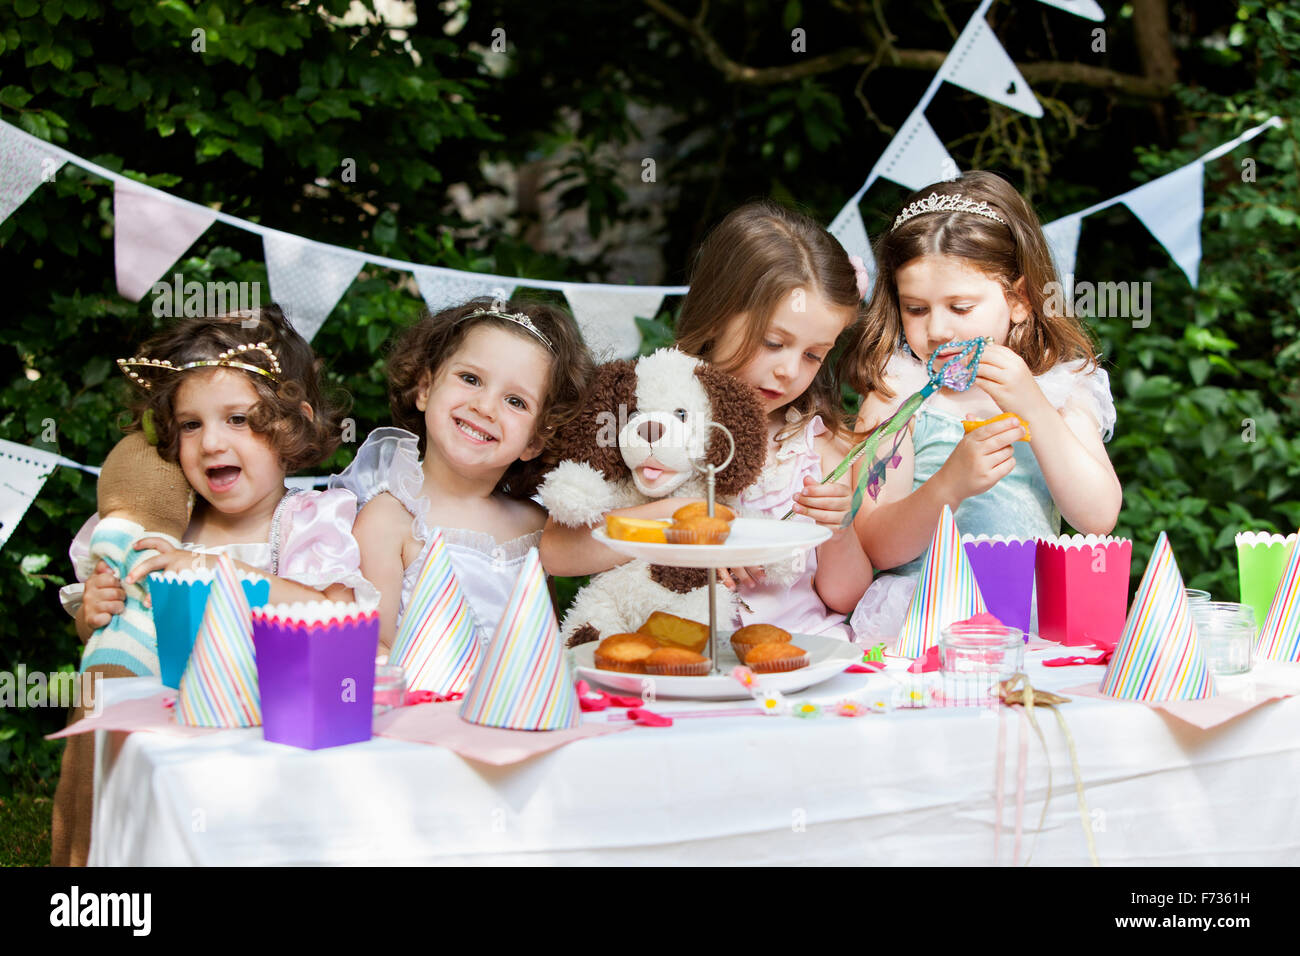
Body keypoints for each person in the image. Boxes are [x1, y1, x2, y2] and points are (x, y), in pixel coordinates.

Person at [54, 304, 374, 865]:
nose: (211, 444)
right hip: (163, 738)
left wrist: (216, 573)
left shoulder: (307, 521)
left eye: (239, 420)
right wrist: (95, 610)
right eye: (191, 425)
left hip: (265, 732)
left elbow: (332, 611)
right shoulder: (166, 528)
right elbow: (111, 639)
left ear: (292, 423)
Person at [541, 201, 872, 639]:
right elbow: (558, 554)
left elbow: (845, 599)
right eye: (773, 342)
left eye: (813, 354)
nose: (790, 370)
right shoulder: (644, 419)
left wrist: (840, 532)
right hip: (672, 660)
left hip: (795, 662)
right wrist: (682, 516)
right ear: (717, 315)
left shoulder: (818, 448)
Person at [843, 171, 1121, 643]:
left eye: (961, 307)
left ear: (1020, 301)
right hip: (925, 619)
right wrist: (950, 485)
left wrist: (1033, 408)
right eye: (916, 309)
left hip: (1027, 615)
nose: (938, 330)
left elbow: (1097, 517)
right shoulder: (897, 395)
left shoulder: (1059, 390)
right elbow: (875, 545)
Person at [334, 299, 591, 655]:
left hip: (517, 709)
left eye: (516, 401)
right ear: (425, 388)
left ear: (535, 440)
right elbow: (371, 648)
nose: (484, 407)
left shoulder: (536, 526)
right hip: (420, 706)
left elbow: (544, 650)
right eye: (470, 379)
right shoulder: (387, 520)